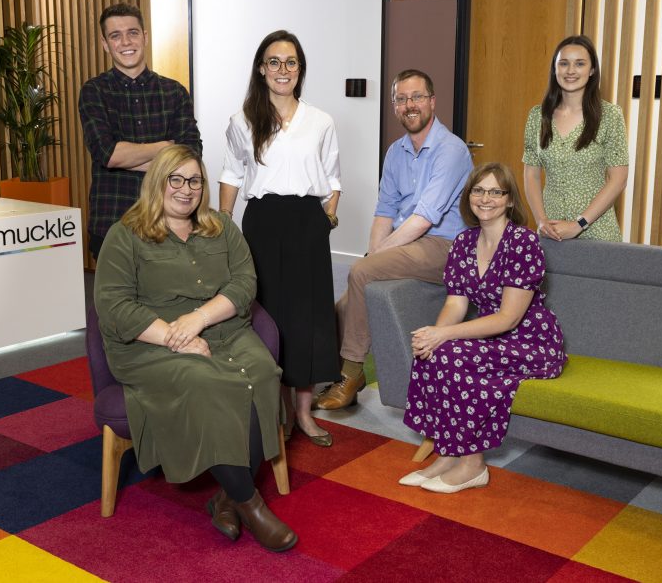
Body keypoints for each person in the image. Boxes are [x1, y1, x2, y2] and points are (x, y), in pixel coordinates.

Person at [94, 144, 296, 552]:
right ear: (158, 182)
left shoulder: (222, 227)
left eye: (196, 180)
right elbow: (114, 306)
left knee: (260, 374)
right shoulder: (125, 235)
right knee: (205, 380)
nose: (187, 189)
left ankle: (225, 497)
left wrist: (198, 320)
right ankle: (251, 504)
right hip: (152, 345)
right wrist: (176, 337)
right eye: (177, 179)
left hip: (225, 333)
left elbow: (244, 284)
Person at [400, 162, 566, 493]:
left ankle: (474, 465)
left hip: (532, 341)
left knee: (454, 354)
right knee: (433, 352)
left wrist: (443, 335)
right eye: (478, 190)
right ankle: (449, 453)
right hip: (491, 334)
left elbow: (508, 319)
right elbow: (456, 304)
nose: (485, 198)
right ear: (469, 196)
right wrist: (435, 336)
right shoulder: (463, 243)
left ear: (509, 200)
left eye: (495, 191)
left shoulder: (523, 243)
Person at [314, 69, 472, 411]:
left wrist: (374, 258)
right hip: (409, 243)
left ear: (432, 101)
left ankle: (352, 373)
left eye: (416, 97)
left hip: (444, 247)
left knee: (360, 273)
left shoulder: (451, 150)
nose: (409, 105)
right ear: (394, 106)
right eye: (401, 99)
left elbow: (424, 219)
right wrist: (375, 250)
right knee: (342, 306)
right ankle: (326, 371)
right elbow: (384, 211)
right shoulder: (396, 152)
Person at [219, 30, 341, 447]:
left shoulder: (321, 121)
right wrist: (222, 224)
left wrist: (327, 217)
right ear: (261, 68)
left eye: (291, 62)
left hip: (308, 221)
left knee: (307, 317)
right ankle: (276, 411)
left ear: (300, 69)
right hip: (263, 222)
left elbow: (332, 177)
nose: (282, 70)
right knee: (268, 313)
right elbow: (233, 174)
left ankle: (304, 414)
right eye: (274, 61)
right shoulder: (242, 121)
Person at [80, 2, 203, 259]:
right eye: (115, 35)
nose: (126, 41)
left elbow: (190, 155)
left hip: (168, 220)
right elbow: (108, 154)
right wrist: (165, 148)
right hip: (112, 219)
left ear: (145, 37)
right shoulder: (94, 92)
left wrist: (127, 157)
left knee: (170, 297)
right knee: (114, 299)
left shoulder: (174, 92)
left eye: (133, 32)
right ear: (105, 44)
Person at [523, 34, 629, 242]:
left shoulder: (610, 116)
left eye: (579, 64)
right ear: (555, 69)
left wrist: (579, 224)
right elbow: (531, 175)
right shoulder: (537, 116)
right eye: (563, 63)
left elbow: (618, 180)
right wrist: (541, 220)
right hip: (550, 232)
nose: (570, 71)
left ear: (591, 70)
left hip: (597, 231)